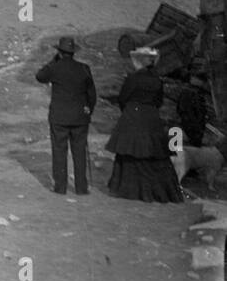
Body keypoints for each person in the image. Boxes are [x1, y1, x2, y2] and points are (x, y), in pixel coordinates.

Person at [106, 47, 181, 203]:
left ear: (138, 62)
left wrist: (128, 111)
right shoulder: (157, 80)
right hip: (151, 118)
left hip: (132, 115)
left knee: (128, 153)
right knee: (154, 155)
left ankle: (126, 189)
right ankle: (157, 192)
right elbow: (159, 101)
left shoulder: (132, 78)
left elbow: (123, 98)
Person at [34, 36, 97, 195]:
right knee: (80, 151)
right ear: (74, 52)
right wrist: (89, 110)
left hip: (59, 117)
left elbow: (40, 76)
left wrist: (53, 60)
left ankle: (60, 187)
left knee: (59, 151)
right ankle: (81, 188)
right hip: (80, 117)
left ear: (59, 52)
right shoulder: (84, 68)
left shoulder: (54, 68)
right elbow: (92, 95)